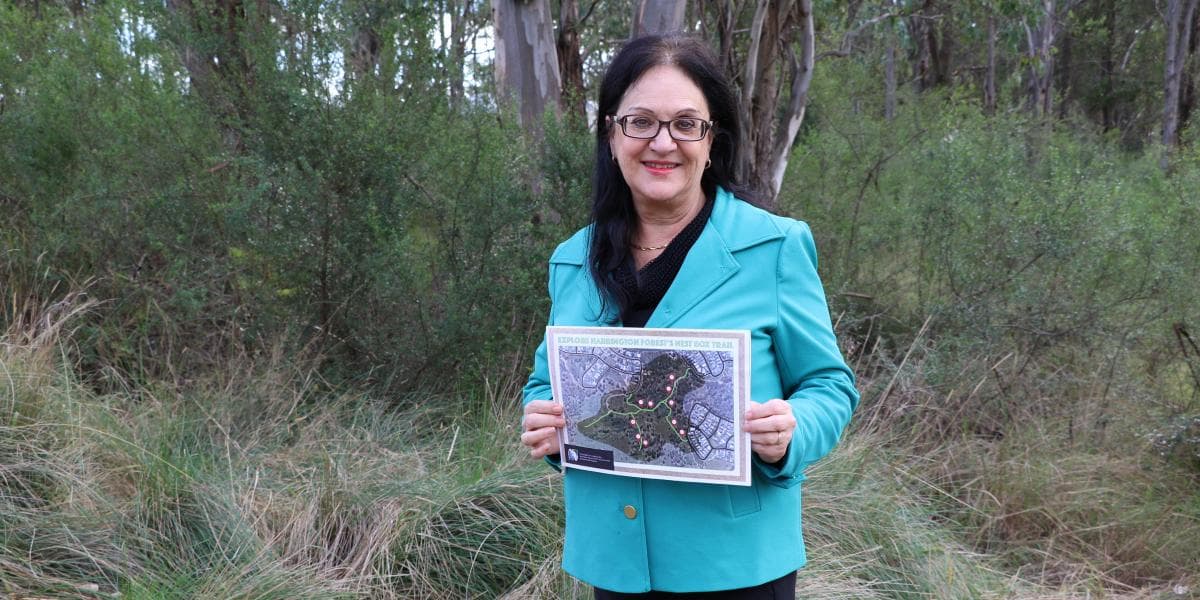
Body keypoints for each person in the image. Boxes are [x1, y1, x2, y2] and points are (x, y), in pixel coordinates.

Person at [520, 33, 858, 598]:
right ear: (611, 133)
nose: (662, 142)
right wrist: (543, 421)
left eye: (685, 123)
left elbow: (830, 385)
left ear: (710, 139)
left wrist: (792, 430)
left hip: (736, 566)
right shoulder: (573, 259)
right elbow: (544, 381)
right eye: (641, 122)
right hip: (615, 563)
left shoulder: (774, 247)